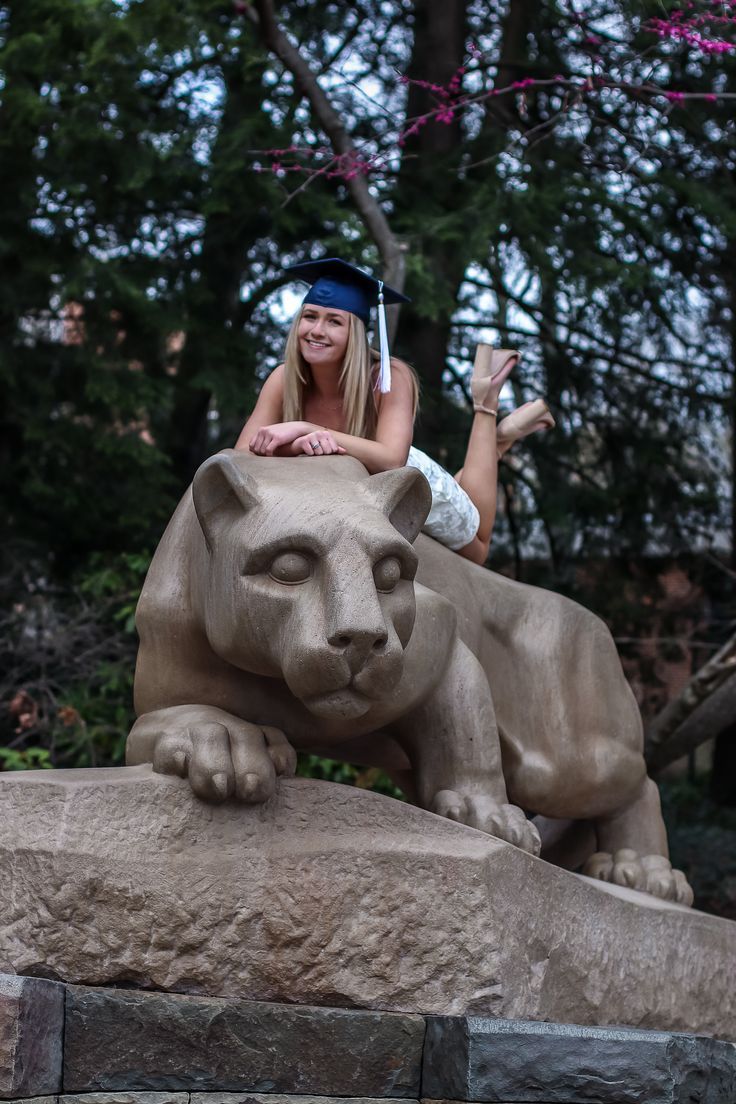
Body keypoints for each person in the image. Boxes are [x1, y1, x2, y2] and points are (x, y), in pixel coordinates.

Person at [235, 258, 552, 565]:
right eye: (310, 316)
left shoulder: (388, 377)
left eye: (334, 321)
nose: (316, 330)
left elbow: (391, 459)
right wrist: (298, 444)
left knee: (477, 549)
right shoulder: (283, 378)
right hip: (353, 486)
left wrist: (306, 430)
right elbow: (241, 456)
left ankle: (488, 411)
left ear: (357, 332)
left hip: (406, 475)